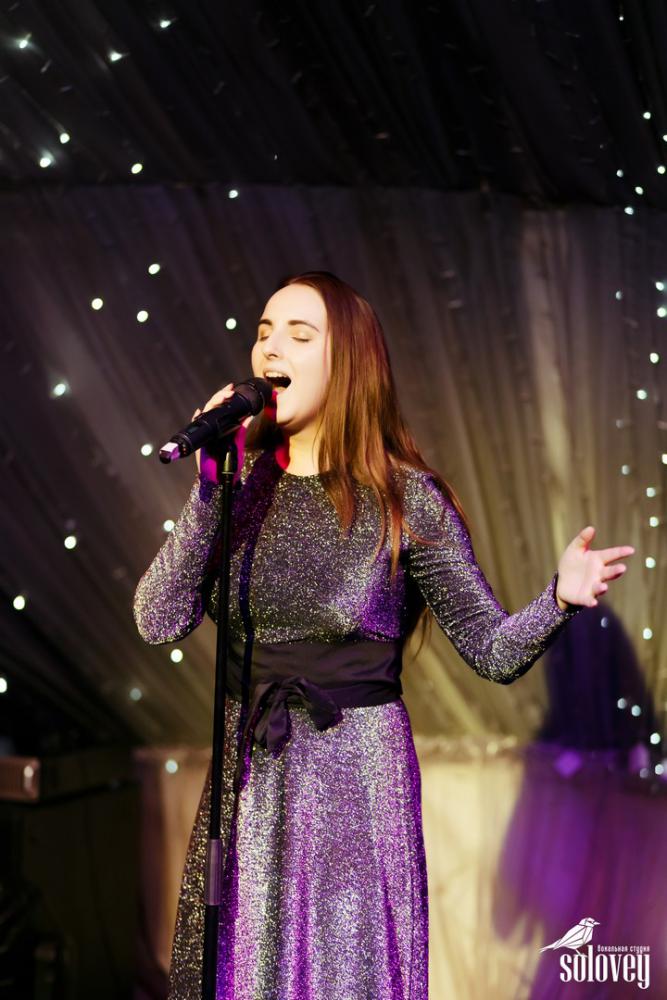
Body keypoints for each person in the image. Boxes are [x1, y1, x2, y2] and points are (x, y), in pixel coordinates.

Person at [133, 271, 634, 1000]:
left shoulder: (405, 499)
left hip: (355, 784)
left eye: (299, 335)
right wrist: (209, 488)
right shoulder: (239, 491)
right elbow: (157, 618)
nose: (271, 348)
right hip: (250, 780)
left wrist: (557, 599)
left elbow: (491, 650)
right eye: (265, 332)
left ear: (348, 363)